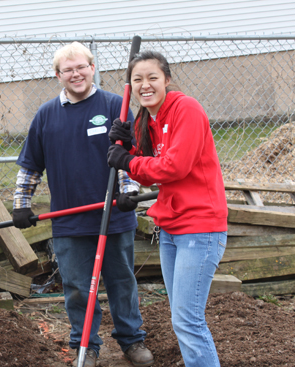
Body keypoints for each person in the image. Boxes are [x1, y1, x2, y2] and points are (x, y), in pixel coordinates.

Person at [12, 41, 154, 367]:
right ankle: (85, 346)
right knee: (77, 287)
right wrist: (21, 204)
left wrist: (128, 190)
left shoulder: (117, 106)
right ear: (58, 75)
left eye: (81, 67)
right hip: (70, 221)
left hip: (114, 216)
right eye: (68, 70)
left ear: (92, 68)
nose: (76, 74)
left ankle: (132, 341)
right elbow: (31, 166)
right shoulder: (47, 115)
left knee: (122, 282)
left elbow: (130, 158)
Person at [107, 50, 228, 367]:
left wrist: (129, 161)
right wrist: (129, 145)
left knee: (188, 321)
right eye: (137, 80)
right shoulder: (149, 118)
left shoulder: (186, 108)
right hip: (173, 227)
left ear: (167, 80)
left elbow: (174, 166)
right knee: (182, 319)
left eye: (152, 78)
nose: (145, 85)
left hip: (200, 227)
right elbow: (150, 160)